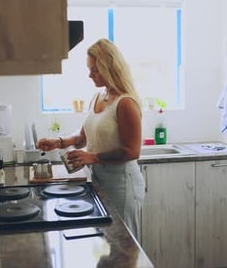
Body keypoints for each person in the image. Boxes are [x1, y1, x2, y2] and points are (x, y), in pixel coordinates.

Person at [36, 38, 145, 238]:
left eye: (95, 70)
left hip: (122, 184)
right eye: (90, 69)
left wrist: (93, 157)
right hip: (99, 178)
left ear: (109, 68)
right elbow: (82, 137)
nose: (90, 75)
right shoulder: (98, 97)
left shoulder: (126, 103)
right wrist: (59, 142)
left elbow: (132, 151)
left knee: (125, 244)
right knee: (107, 240)